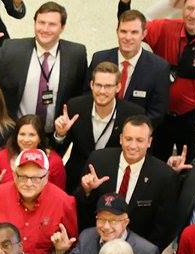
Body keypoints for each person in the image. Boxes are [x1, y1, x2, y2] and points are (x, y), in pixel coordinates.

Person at [116, 0, 195, 159]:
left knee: (187, 162)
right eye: (189, 8)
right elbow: (131, 30)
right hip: (157, 114)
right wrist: (125, 2)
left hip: (191, 119)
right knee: (153, 160)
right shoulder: (165, 28)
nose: (192, 15)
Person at [0, 1, 88, 135]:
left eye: (52, 24)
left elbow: (82, 93)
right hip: (13, 134)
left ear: (62, 27)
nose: (45, 29)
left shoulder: (76, 54)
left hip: (55, 134)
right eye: (41, 22)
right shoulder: (11, 48)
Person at [75, 115, 178, 248]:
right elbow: (80, 207)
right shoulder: (98, 161)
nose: (133, 146)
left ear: (149, 142)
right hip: (97, 243)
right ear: (121, 139)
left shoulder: (164, 176)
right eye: (128, 139)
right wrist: (87, 191)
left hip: (137, 251)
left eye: (140, 140)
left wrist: (142, 253)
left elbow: (164, 227)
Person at [54, 63, 148, 193]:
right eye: (98, 85)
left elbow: (141, 153)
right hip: (76, 182)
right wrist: (60, 134)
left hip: (112, 183)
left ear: (118, 87)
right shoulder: (75, 107)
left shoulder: (133, 113)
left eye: (108, 86)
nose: (102, 91)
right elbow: (56, 152)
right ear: (91, 85)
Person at [0, 148, 77, 254]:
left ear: (46, 177)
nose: (28, 183)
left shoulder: (64, 203)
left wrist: (60, 253)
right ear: (14, 175)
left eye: (36, 178)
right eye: (23, 177)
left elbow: (71, 249)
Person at [89, 9, 171, 128]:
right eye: (123, 31)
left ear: (144, 34)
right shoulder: (99, 58)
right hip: (99, 127)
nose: (128, 37)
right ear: (117, 32)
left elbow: (157, 112)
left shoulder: (159, 68)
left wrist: (129, 131)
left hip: (134, 139)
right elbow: (87, 96)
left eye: (134, 32)